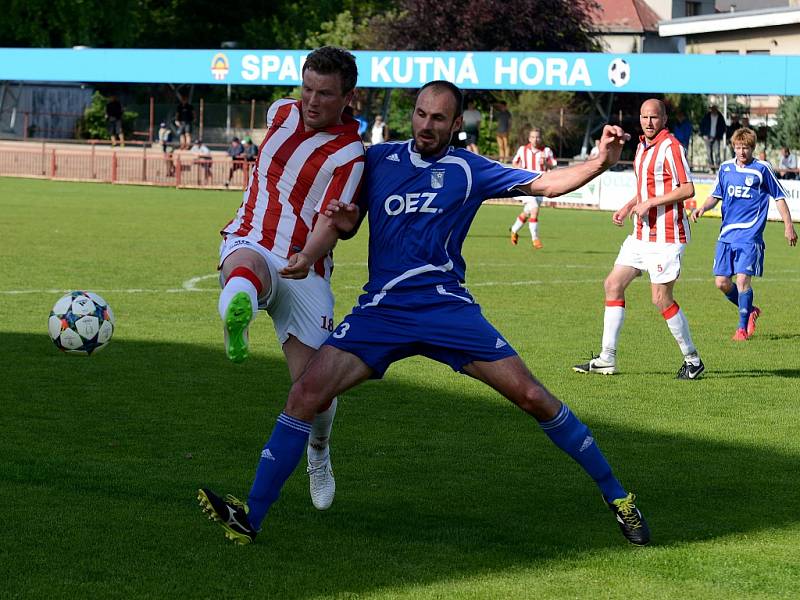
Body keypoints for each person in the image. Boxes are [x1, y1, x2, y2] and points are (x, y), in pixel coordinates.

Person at [198, 80, 651, 548]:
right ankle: (251, 516)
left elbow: (545, 184)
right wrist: (345, 218)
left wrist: (600, 161)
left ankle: (619, 498)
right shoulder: (378, 160)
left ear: (456, 125)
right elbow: (347, 217)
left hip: (446, 309)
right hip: (382, 311)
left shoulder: (467, 168)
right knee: (305, 393)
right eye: (420, 114)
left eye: (438, 118)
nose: (426, 125)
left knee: (532, 396)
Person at [201, 46, 364, 516]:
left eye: (325, 94)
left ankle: (319, 451)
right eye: (307, 88)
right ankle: (239, 316)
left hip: (305, 268)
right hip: (252, 238)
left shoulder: (349, 155)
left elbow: (335, 221)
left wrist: (307, 255)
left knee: (316, 389)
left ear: (348, 97)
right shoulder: (278, 113)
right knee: (243, 268)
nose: (312, 101)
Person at [574, 99, 704, 380]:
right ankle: (607, 358)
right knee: (612, 284)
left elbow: (688, 189)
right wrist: (629, 205)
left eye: (654, 117)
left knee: (660, 299)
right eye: (644, 117)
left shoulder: (672, 147)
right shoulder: (643, 148)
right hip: (641, 234)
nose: (648, 122)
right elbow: (646, 189)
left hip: (667, 236)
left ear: (664, 119)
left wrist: (651, 203)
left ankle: (692, 359)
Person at [691, 128, 797, 340]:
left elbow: (778, 197)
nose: (742, 152)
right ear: (734, 147)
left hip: (750, 236)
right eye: (738, 148)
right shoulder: (725, 168)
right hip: (726, 234)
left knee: (742, 282)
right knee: (721, 282)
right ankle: (750, 310)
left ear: (752, 148)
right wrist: (702, 208)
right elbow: (716, 195)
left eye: (746, 148)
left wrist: (788, 225)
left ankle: (741, 329)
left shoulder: (762, 169)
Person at [509, 127, 557, 249]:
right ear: (529, 138)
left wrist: (545, 163)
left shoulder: (546, 151)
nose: (535, 139)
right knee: (534, 209)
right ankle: (535, 239)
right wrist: (518, 169)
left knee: (527, 212)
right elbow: (514, 162)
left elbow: (553, 166)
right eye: (533, 137)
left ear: (540, 138)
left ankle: (514, 230)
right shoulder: (522, 150)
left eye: (538, 137)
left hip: (541, 186)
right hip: (526, 185)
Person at [700, 105, 726, 172]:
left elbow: (723, 127)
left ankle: (717, 168)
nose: (713, 110)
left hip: (716, 138)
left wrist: (719, 136)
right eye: (712, 109)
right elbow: (702, 125)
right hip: (707, 137)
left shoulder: (720, 117)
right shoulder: (706, 116)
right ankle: (711, 168)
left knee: (717, 153)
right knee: (709, 153)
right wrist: (703, 134)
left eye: (715, 109)